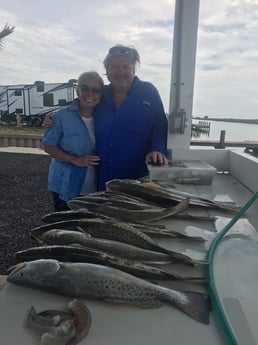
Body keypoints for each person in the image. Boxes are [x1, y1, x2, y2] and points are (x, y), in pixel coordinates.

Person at [44, 44, 168, 191]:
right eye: (114, 67)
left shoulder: (149, 91)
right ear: (107, 72)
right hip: (103, 176)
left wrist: (157, 149)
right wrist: (54, 116)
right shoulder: (101, 94)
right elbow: (81, 105)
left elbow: (160, 126)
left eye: (125, 67)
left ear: (133, 69)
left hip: (137, 176)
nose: (120, 71)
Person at [42, 71, 104, 211]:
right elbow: (48, 145)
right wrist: (73, 159)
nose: (90, 94)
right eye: (85, 88)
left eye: (96, 90)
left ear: (100, 95)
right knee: (64, 228)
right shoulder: (61, 116)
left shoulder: (104, 118)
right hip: (65, 185)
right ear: (77, 91)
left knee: (88, 229)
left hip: (95, 189)